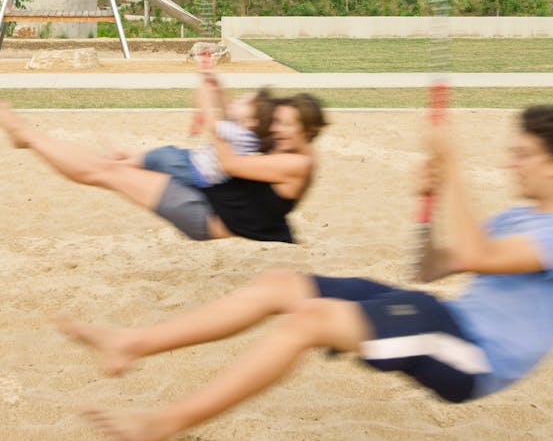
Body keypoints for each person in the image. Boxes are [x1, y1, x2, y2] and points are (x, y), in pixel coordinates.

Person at [59, 105, 553, 441]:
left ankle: (166, 423)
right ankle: (131, 344)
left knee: (309, 321)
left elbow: (479, 254)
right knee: (280, 285)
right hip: (440, 314)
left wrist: (453, 168)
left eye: (523, 153)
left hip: (472, 356)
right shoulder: (517, 218)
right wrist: (433, 194)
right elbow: (439, 265)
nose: (512, 162)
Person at [0, 86, 326, 243]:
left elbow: (229, 160)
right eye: (278, 122)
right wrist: (216, 88)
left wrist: (209, 111)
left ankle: (27, 137)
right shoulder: (289, 149)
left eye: (287, 124)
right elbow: (247, 124)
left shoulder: (295, 164)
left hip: (201, 214)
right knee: (109, 169)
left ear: (307, 131)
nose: (278, 129)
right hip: (203, 196)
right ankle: (29, 137)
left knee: (106, 172)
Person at [112, 52, 275, 189]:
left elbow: (213, 124)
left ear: (253, 121)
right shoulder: (248, 134)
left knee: (161, 157)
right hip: (195, 162)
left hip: (196, 171)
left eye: (243, 102)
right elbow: (228, 109)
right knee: (165, 152)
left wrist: (204, 95)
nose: (237, 101)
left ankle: (117, 167)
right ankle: (124, 154)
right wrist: (217, 84)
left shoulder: (240, 134)